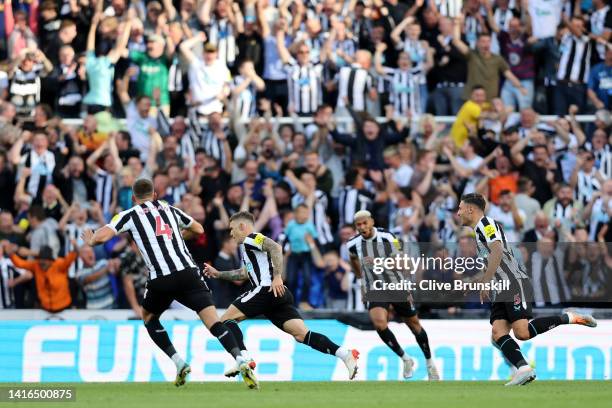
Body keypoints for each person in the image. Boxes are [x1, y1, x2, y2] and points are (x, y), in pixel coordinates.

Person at [81, 178, 257, 389]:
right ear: (155, 195)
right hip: (189, 273)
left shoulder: (129, 214)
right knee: (213, 321)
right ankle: (240, 359)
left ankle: (179, 362)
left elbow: (103, 236)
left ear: (133, 198)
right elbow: (199, 229)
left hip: (161, 278)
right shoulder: (169, 209)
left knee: (148, 318)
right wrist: (179, 236)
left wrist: (91, 239)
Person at [456, 193, 597, 386]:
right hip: (501, 287)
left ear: (470, 209)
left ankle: (569, 317)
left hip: (514, 282)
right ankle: (522, 369)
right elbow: (495, 260)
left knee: (522, 333)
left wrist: (485, 281)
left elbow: (497, 250)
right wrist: (476, 282)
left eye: (460, 208)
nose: (458, 213)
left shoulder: (486, 224)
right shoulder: (479, 230)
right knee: (497, 333)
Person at [203, 211, 360, 382]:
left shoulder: (252, 238)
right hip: (279, 295)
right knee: (302, 335)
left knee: (225, 321)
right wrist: (218, 274)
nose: (231, 234)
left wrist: (277, 276)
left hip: (265, 290)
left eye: (232, 229)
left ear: (242, 226)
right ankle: (345, 354)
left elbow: (276, 247)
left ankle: (245, 359)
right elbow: (244, 273)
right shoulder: (248, 247)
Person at [347, 210, 440, 381]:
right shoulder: (352, 244)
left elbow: (403, 263)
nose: (362, 227)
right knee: (379, 324)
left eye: (365, 223)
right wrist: (362, 283)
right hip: (375, 288)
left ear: (372, 222)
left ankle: (429, 363)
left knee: (414, 325)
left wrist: (378, 262)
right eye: (358, 225)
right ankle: (406, 359)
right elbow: (353, 261)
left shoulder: (388, 238)